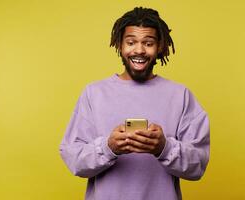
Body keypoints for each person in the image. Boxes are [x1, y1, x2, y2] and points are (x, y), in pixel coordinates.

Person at [60, 7, 210, 200]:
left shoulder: (181, 95)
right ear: (119, 46)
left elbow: (198, 165)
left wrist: (164, 148)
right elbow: (74, 159)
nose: (139, 50)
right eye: (131, 42)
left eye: (148, 43)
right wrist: (108, 147)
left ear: (160, 47)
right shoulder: (94, 93)